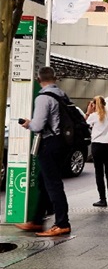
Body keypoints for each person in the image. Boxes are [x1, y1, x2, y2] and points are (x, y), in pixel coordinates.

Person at [15, 66, 72, 237]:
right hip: (62, 143)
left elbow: (38, 126)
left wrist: (28, 124)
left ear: (38, 80)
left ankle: (62, 223)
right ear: (55, 78)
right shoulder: (62, 95)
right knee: (44, 182)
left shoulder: (43, 98)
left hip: (49, 143)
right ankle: (37, 221)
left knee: (53, 184)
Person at [85, 96, 108, 207]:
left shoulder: (93, 116)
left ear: (94, 105)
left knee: (99, 173)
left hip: (96, 147)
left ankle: (102, 199)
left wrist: (88, 112)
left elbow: (84, 125)